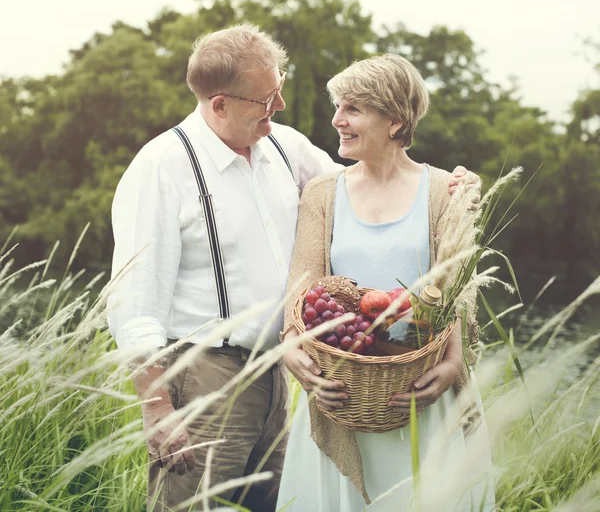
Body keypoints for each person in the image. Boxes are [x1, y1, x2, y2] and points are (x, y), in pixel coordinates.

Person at [107, 25, 477, 512]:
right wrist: (156, 408)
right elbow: (135, 300)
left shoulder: (286, 146)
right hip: (205, 374)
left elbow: (368, 184)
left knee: (284, 500)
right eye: (266, 98)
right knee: (192, 505)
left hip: (286, 375)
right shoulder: (162, 167)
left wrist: (453, 187)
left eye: (278, 88)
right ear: (220, 104)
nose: (278, 106)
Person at [278, 54, 495, 511]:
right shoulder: (323, 192)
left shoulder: (444, 191)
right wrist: (292, 345)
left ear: (396, 121)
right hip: (339, 395)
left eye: (353, 109)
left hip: (420, 396)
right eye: (338, 106)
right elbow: (303, 285)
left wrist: (452, 363)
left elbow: (455, 292)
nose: (337, 119)